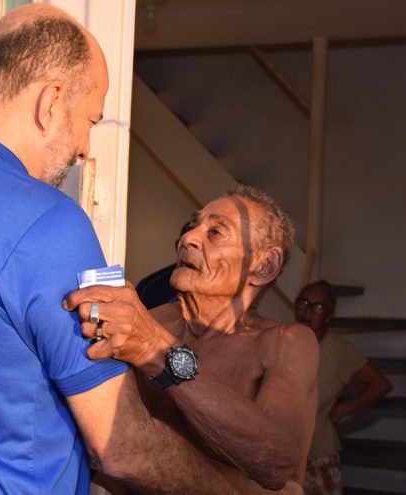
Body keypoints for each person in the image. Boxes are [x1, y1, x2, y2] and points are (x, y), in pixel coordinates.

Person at [0, 5, 280, 494]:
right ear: (52, 101)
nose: (84, 147)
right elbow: (122, 447)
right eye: (90, 120)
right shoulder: (49, 221)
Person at [66, 185, 320, 493]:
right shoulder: (155, 321)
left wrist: (156, 350)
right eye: (191, 226)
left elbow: (276, 463)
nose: (188, 238)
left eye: (215, 232)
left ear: (264, 266)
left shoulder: (285, 342)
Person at [295, 280, 392, 495]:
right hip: (280, 452)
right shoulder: (283, 339)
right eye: (303, 302)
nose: (307, 311)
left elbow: (380, 385)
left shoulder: (338, 351)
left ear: (329, 316)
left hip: (317, 454)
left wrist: (343, 409)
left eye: (318, 307)